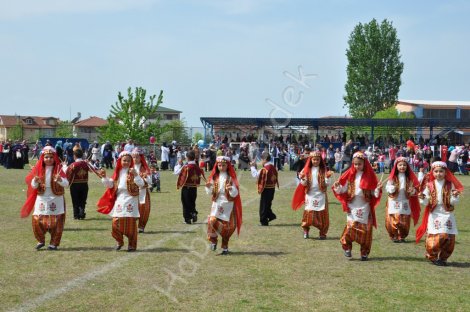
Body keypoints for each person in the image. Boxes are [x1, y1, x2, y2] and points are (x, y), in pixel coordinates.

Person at [333, 151, 382, 261]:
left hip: (365, 207)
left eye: (359, 164)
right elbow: (343, 190)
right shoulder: (350, 175)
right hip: (352, 205)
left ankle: (364, 252)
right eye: (355, 164)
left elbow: (374, 193)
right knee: (350, 228)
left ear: (364, 164)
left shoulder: (370, 176)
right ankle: (347, 248)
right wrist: (338, 187)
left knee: (366, 231)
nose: (357, 166)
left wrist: (377, 189)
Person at [416, 161, 464, 266]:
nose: (438, 174)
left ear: (445, 172)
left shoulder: (450, 184)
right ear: (432, 173)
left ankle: (443, 258)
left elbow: (453, 202)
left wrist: (455, 196)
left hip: (447, 214)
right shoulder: (429, 185)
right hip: (434, 213)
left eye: (441, 171)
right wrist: (423, 198)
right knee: (435, 236)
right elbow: (426, 201)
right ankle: (432, 255)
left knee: (448, 237)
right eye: (436, 171)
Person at [20, 146, 69, 250]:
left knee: (57, 221)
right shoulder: (38, 170)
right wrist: (35, 181)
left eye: (51, 157)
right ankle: (40, 240)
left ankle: (53, 243)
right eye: (46, 157)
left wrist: (60, 179)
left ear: (54, 157)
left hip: (56, 199)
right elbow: (33, 186)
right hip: (42, 198)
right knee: (37, 219)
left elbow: (66, 184)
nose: (49, 159)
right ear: (43, 158)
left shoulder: (59, 169)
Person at [97, 151, 144, 251]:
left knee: (130, 223)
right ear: (120, 161)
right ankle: (119, 241)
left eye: (128, 160)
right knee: (115, 223)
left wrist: (136, 175)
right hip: (120, 199)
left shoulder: (134, 171)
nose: (126, 162)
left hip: (131, 199)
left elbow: (141, 184)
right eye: (124, 160)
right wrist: (104, 177)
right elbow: (110, 185)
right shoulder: (118, 172)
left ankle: (132, 245)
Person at [205, 156, 242, 255]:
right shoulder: (214, 177)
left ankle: (225, 247)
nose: (221, 167)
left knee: (228, 227)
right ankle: (213, 240)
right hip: (217, 203)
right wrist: (208, 187)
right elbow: (210, 192)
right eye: (219, 165)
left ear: (228, 166)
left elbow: (235, 193)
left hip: (228, 205)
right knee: (212, 220)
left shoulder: (231, 178)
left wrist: (231, 189)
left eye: (223, 165)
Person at [292, 151, 333, 239]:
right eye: (314, 159)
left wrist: (328, 178)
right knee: (308, 213)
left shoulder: (324, 170)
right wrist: (303, 179)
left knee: (323, 214)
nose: (315, 161)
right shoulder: (306, 170)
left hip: (321, 195)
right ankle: (306, 230)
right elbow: (303, 184)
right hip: (310, 195)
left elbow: (327, 183)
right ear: (310, 160)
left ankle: (322, 233)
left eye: (317, 160)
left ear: (320, 160)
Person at [384, 156, 421, 243]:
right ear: (396, 166)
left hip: (404, 201)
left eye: (404, 165)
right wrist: (392, 188)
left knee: (404, 220)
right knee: (394, 218)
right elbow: (387, 187)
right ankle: (394, 235)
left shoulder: (409, 178)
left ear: (407, 167)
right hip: (394, 200)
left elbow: (415, 189)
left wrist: (412, 191)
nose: (402, 167)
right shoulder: (393, 177)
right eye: (400, 165)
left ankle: (402, 236)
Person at [250, 151, 279, 226]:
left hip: (266, 189)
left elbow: (255, 175)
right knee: (268, 204)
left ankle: (264, 221)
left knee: (263, 205)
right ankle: (271, 216)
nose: (261, 161)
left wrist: (252, 166)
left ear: (265, 159)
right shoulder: (273, 167)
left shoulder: (265, 169)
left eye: (262, 159)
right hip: (272, 188)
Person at [177, 150, 205, 224]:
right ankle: (193, 213)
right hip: (194, 188)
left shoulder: (186, 167)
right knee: (192, 202)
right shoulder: (197, 167)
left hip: (186, 187)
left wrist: (179, 165)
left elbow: (177, 173)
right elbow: (202, 174)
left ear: (187, 158)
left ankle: (187, 219)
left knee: (186, 203)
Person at [66, 149, 92, 220]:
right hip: (84, 184)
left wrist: (64, 166)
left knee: (75, 200)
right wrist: (87, 163)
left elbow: (67, 173)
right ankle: (82, 213)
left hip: (75, 185)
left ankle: (76, 215)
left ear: (74, 156)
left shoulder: (73, 165)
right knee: (83, 200)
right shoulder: (85, 164)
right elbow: (92, 170)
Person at [131, 148, 152, 233]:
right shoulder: (129, 167)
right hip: (131, 192)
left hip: (142, 192)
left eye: (137, 157)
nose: (135, 159)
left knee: (144, 209)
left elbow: (150, 181)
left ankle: (141, 226)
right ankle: (131, 225)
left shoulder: (144, 169)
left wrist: (144, 178)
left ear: (141, 158)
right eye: (133, 157)